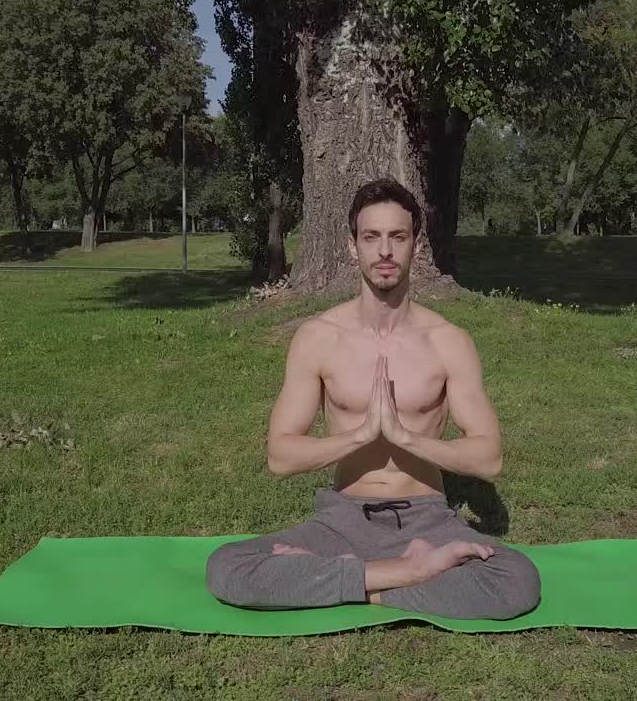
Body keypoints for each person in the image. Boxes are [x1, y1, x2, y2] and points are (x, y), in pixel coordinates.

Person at [205, 178, 540, 620]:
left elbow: (489, 458)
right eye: (372, 237)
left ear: (416, 247)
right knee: (228, 568)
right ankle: (409, 574)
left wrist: (405, 437)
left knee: (517, 581)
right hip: (342, 520)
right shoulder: (318, 338)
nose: (385, 250)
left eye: (397, 237)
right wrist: (361, 435)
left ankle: (358, 581)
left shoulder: (449, 342)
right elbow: (280, 456)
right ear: (352, 246)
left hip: (427, 520)